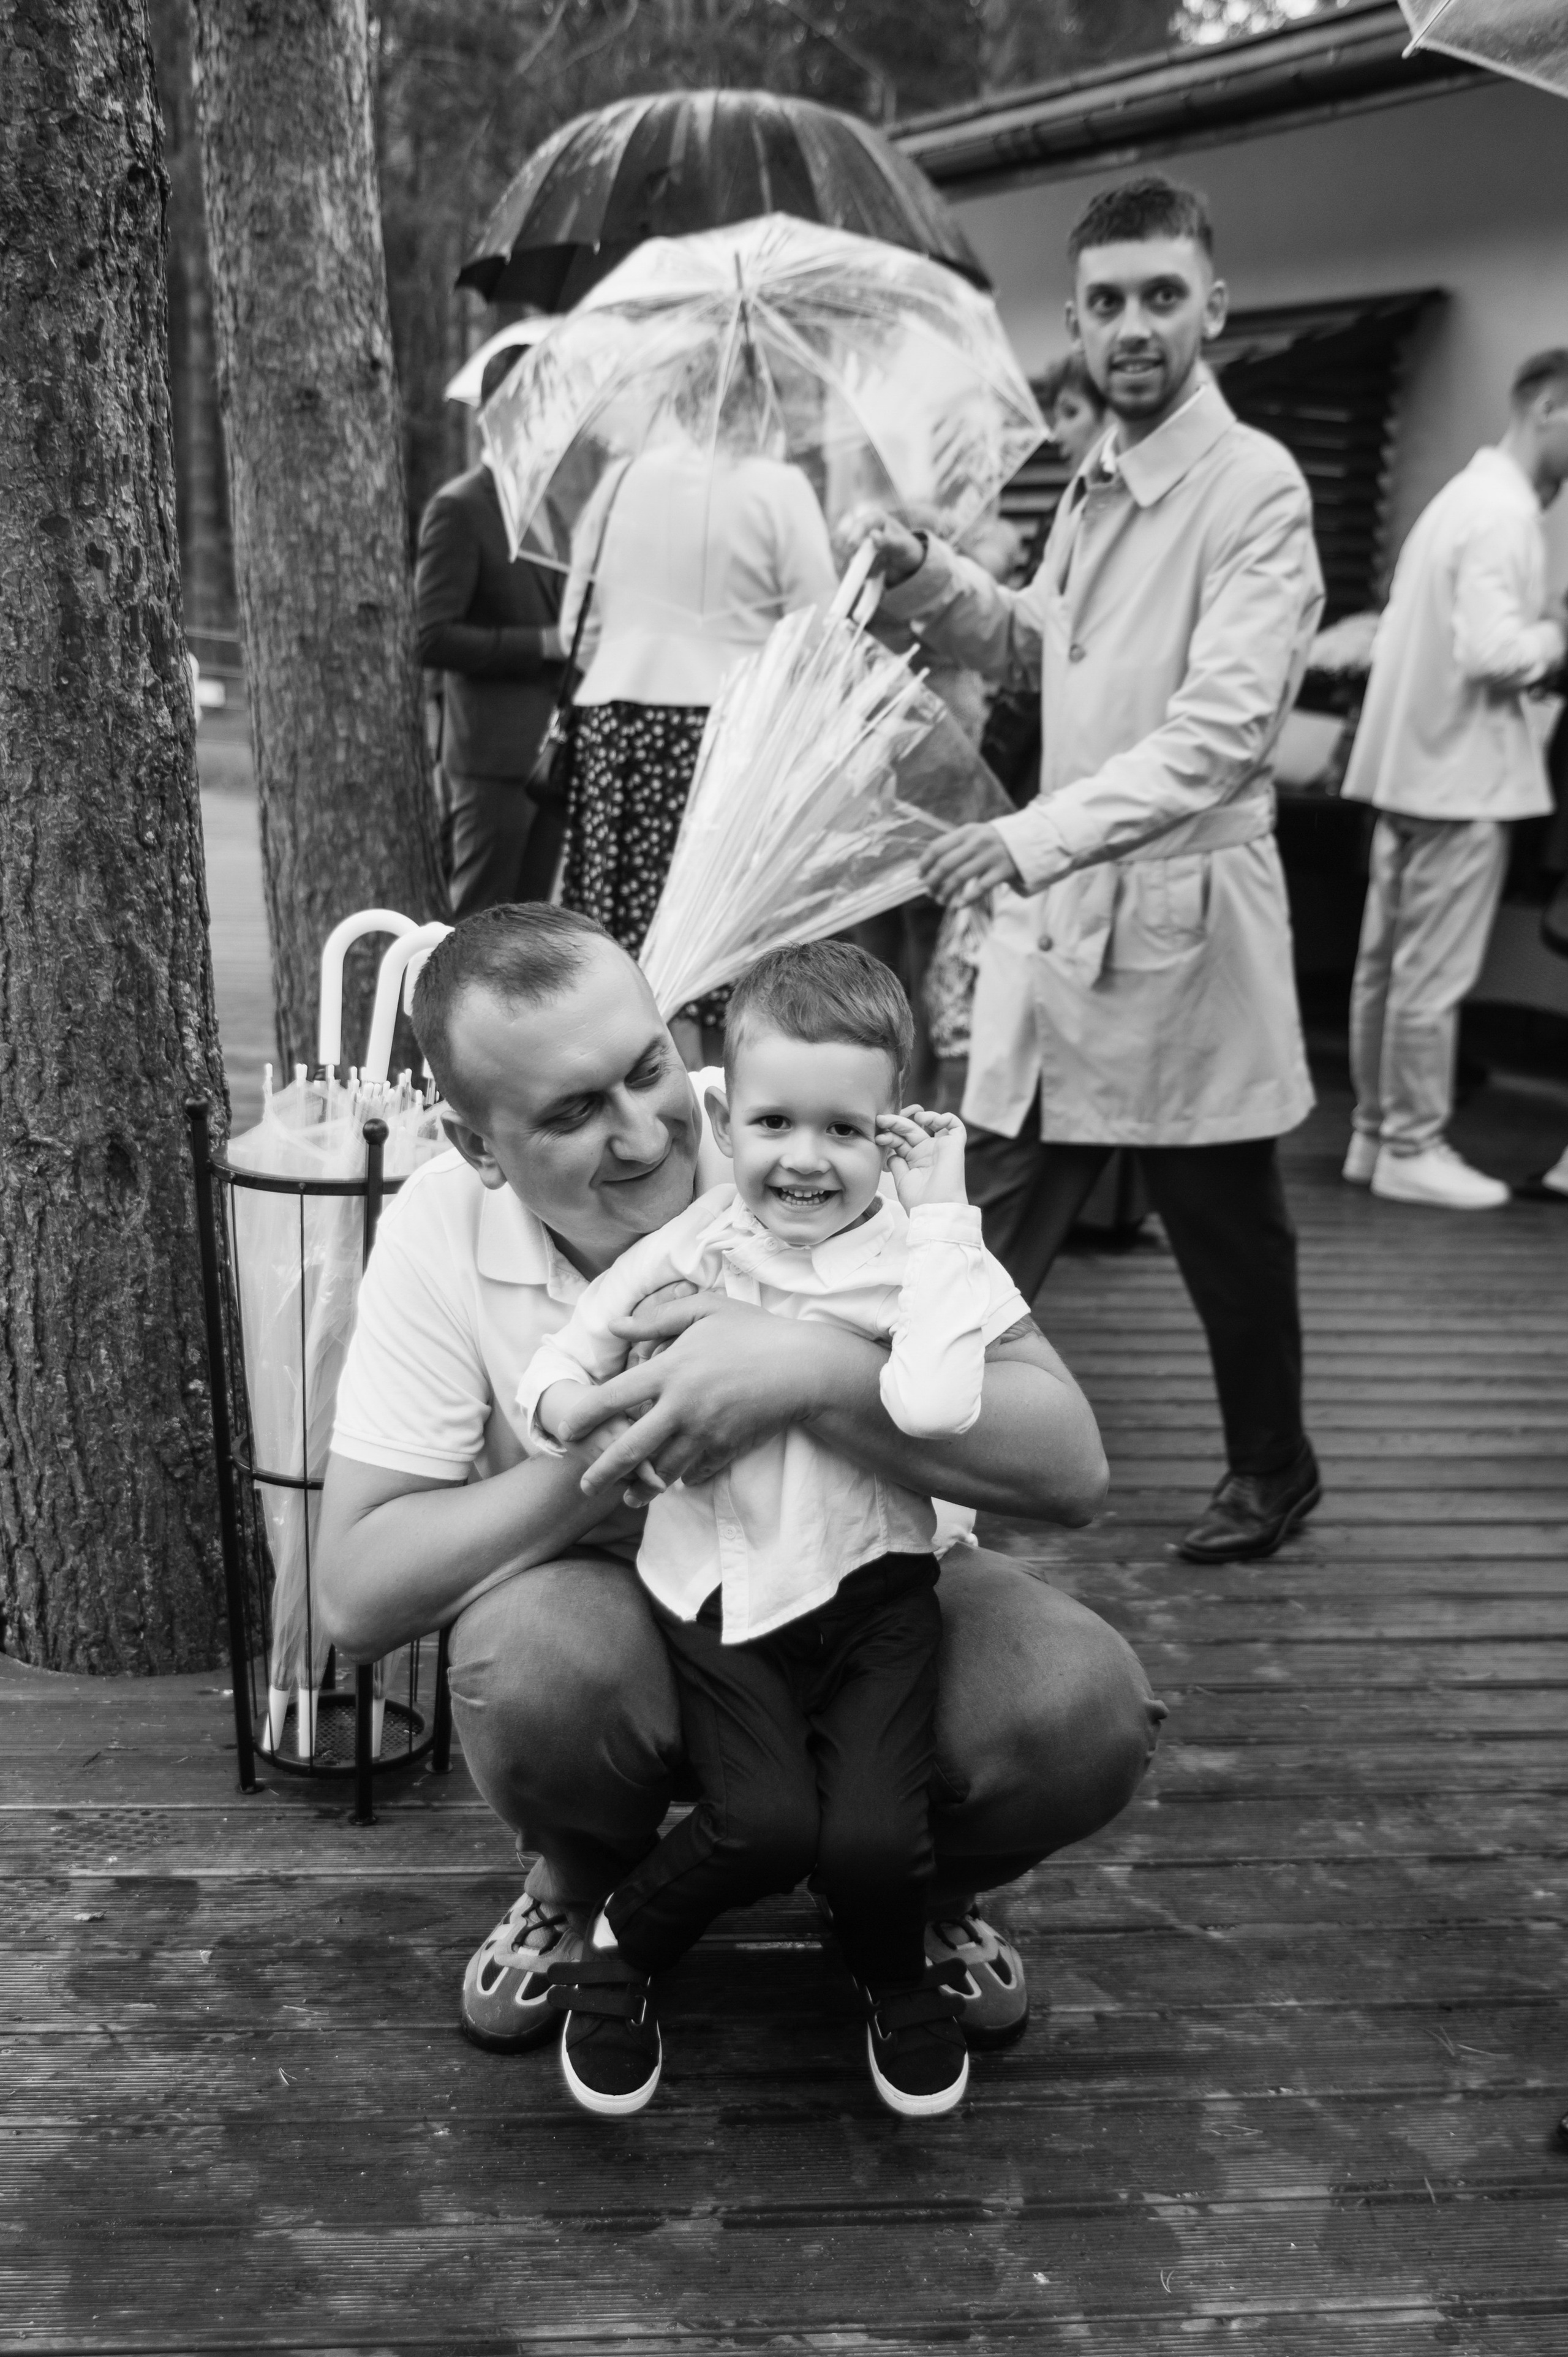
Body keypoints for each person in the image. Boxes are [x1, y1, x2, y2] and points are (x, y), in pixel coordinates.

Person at [317, 903, 1163, 2072]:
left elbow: (1071, 1466)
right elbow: (356, 1594)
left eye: (648, 1068)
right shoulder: (440, 1226)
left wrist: (805, 1374)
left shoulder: (814, 1116)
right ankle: (580, 1882)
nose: (647, 1134)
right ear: (475, 1145)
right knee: (527, 1659)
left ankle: (909, 1888)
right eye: (571, 1113)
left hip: (878, 1595)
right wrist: (631, 1446)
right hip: (640, 1612)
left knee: (1083, 1703)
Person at [847, 173, 1325, 1566]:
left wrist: (1021, 837)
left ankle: (1273, 1468)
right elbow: (1036, 641)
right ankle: (905, 1466)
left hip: (1181, 936)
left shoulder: (1255, 490)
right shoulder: (1098, 479)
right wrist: (926, 573)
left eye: (1160, 296)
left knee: (1230, 1241)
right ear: (1074, 316)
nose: (1132, 325)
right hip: (1059, 937)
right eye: (1107, 301)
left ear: (1209, 309)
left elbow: (1221, 737)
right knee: (974, 1214)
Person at [518, 943, 1031, 2119]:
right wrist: (574, 1410)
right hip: (722, 1591)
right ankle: (624, 1942)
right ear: (725, 1113)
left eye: (846, 1130)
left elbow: (937, 1407)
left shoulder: (925, 1257)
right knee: (762, 1821)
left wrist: (946, 1211)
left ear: (892, 1128)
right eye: (774, 1121)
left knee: (871, 1839)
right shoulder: (697, 1245)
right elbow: (568, 1354)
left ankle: (890, 1967)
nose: (806, 1158)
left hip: (876, 1588)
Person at [1340, 349, 1568, 1210]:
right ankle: (1413, 1144)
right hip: (1461, 782)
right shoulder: (1504, 515)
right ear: (1549, 405)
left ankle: (1373, 1134)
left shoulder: (1456, 501)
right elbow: (1493, 651)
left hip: (1410, 775)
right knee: (1429, 982)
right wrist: (1556, 632)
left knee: (1386, 972)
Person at [558, 385, 839, 1062]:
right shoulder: (779, 487)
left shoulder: (620, 480)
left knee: (627, 941)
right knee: (728, 942)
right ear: (765, 405)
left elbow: (577, 626)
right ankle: (726, 1098)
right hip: (727, 733)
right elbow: (820, 629)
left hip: (618, 723)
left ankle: (632, 1081)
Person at [414, 349, 566, 915]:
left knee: (528, 940)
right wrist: (541, 644)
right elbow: (432, 636)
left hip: (547, 763)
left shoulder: (550, 510)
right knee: (475, 931)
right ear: (494, 416)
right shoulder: (458, 509)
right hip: (489, 765)